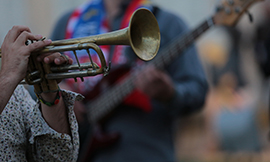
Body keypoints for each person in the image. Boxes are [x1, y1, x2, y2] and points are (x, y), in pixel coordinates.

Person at [51, 0, 208, 161]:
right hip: (82, 152)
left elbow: (198, 90)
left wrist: (170, 93)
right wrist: (57, 94)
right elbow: (37, 89)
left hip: (147, 154)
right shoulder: (68, 23)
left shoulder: (168, 23)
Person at [0, 25, 83, 161]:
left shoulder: (16, 92)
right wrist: (8, 76)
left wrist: (48, 89)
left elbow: (58, 158)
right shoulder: (7, 80)